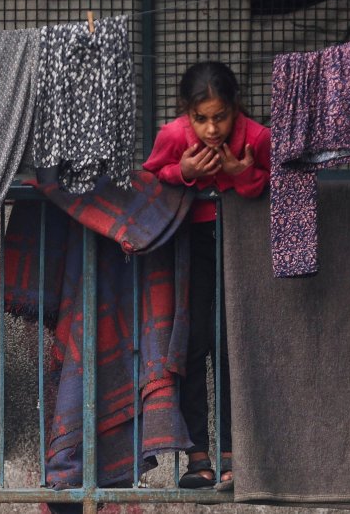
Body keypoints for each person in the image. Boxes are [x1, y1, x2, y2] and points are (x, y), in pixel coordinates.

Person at [142, 61, 271, 492]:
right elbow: (153, 176)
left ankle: (236, 456)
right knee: (194, 342)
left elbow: (271, 184)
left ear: (236, 108)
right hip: (190, 245)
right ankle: (199, 457)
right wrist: (187, 173)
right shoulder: (174, 136)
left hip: (240, 242)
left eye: (221, 117)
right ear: (187, 113)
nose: (212, 130)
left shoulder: (256, 137)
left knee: (234, 343)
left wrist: (240, 175)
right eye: (202, 119)